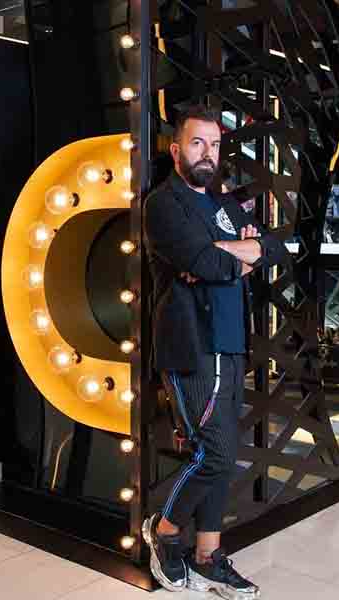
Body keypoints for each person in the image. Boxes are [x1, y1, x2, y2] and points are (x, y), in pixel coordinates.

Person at [142, 105, 286, 600]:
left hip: (231, 342)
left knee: (225, 458)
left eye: (216, 144)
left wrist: (228, 253)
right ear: (176, 150)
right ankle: (164, 532)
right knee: (215, 452)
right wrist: (232, 255)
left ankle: (208, 557)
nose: (208, 153)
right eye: (198, 143)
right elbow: (209, 263)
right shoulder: (163, 205)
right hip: (192, 346)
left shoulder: (224, 206)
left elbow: (271, 248)